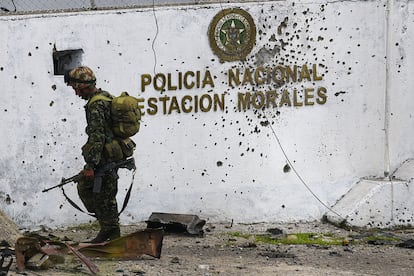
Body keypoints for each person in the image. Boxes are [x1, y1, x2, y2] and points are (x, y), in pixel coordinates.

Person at [64, 66, 120, 243]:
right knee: (100, 193)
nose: (76, 93)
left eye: (76, 88)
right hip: (109, 155)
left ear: (83, 85)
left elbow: (97, 137)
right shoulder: (106, 97)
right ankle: (108, 230)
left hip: (105, 158)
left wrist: (90, 166)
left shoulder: (95, 104)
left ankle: (112, 234)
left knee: (102, 195)